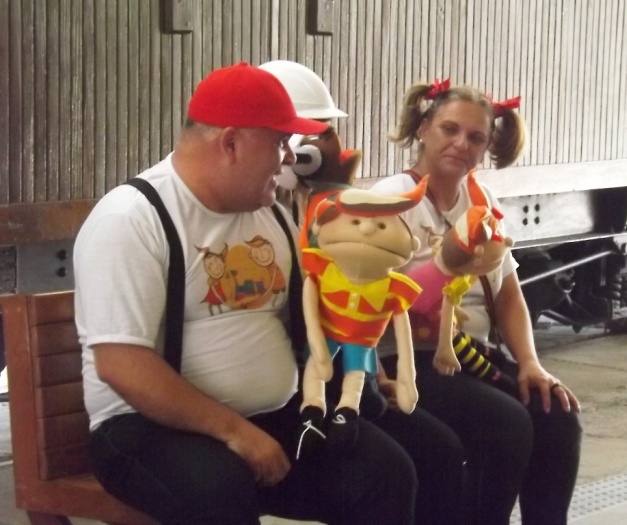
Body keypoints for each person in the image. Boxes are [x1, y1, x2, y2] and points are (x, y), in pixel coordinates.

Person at [75, 62, 434, 525]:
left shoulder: (270, 214)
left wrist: (362, 365)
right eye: (280, 142)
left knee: (385, 472)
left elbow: (310, 317)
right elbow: (121, 364)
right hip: (145, 428)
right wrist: (236, 433)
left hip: (268, 415)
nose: (289, 158)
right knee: (217, 490)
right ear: (230, 143)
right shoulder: (132, 219)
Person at [262, 60, 467, 525]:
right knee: (389, 471)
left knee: (441, 449)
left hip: (347, 379)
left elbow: (357, 306)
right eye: (297, 135)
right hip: (305, 389)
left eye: (322, 133)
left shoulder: (327, 207)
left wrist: (376, 375)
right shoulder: (263, 214)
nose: (310, 147)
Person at [372, 78, 583, 525]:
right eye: (449, 129)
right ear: (424, 128)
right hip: (408, 358)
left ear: (487, 147)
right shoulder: (391, 200)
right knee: (506, 424)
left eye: (475, 137)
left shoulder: (482, 199)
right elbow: (370, 302)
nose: (461, 144)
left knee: (557, 414)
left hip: (471, 355)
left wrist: (530, 363)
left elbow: (507, 293)